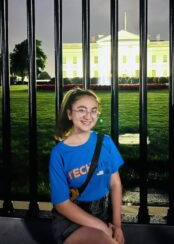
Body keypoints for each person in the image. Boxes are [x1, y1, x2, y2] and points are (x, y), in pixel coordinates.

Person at [49, 87, 125, 244]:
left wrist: (117, 225)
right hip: (72, 219)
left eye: (93, 110)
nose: (88, 116)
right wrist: (102, 227)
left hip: (103, 213)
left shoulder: (105, 143)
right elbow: (62, 204)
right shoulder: (59, 153)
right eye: (81, 110)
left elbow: (115, 184)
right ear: (69, 114)